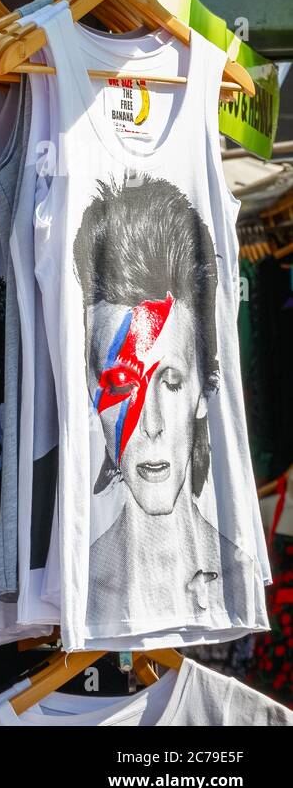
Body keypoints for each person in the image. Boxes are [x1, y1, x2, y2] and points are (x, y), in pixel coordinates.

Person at [73, 175, 255, 628]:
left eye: (170, 381)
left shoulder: (240, 576)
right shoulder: (73, 592)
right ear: (92, 389)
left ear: (202, 389)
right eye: (122, 385)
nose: (149, 423)